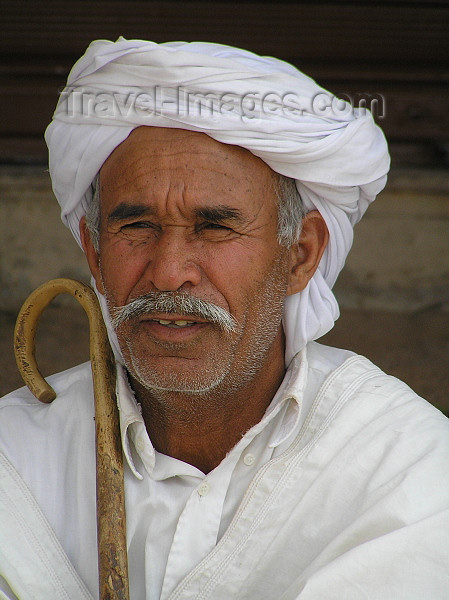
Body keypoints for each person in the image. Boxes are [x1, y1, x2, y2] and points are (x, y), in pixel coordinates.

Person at [0, 38, 448, 600]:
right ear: (93, 251)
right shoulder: (15, 455)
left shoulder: (401, 464)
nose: (168, 272)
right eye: (136, 225)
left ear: (300, 254)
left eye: (215, 227)